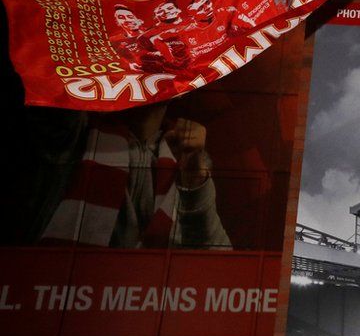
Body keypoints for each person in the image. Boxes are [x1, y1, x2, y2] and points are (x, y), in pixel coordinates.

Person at [26, 103, 231, 249]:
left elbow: (218, 262)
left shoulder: (184, 152)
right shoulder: (77, 135)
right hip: (68, 299)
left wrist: (195, 181)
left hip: (147, 302)